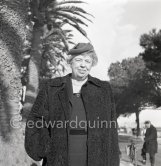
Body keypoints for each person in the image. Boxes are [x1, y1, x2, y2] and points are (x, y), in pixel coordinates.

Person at [25, 42, 120, 166]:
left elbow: (111, 130)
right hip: (58, 159)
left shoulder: (103, 90)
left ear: (92, 64)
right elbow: (36, 120)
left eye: (87, 61)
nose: (83, 65)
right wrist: (46, 146)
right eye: (79, 60)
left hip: (96, 160)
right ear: (71, 61)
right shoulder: (52, 87)